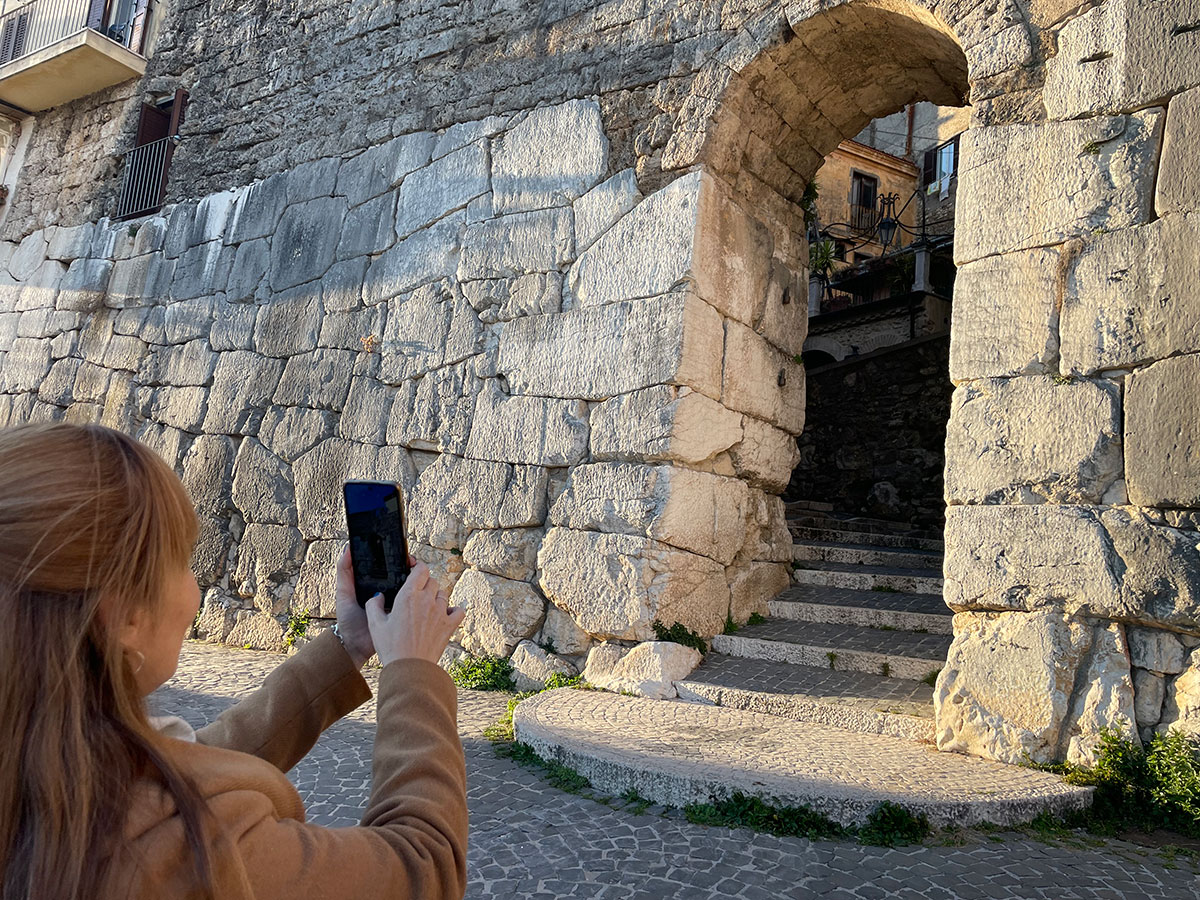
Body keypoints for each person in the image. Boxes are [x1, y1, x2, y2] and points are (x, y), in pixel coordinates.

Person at [0, 423, 469, 900]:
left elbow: (196, 758)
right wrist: (413, 671)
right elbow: (422, 867)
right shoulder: (188, 845)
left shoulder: (43, 762)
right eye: (183, 561)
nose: (195, 592)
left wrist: (347, 646)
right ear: (124, 617)